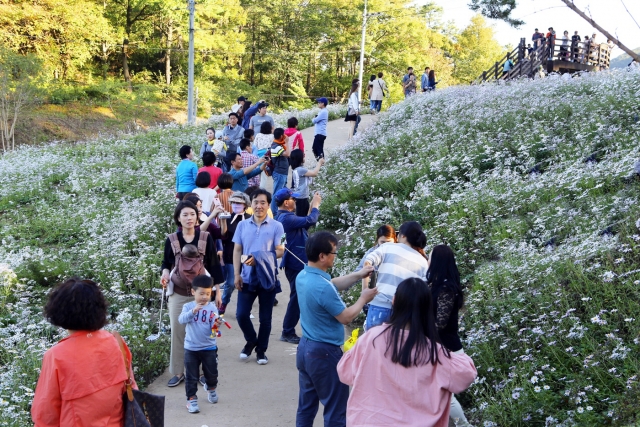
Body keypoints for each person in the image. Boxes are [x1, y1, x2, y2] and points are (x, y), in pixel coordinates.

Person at [336, 278, 477, 427]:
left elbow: (344, 372)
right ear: (428, 308)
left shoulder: (371, 338)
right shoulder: (435, 352)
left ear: (394, 300)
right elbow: (466, 374)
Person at [295, 231, 378, 427]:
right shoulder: (322, 287)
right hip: (324, 353)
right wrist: (363, 298)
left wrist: (358, 275)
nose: (336, 255)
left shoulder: (304, 275)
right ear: (322, 256)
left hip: (306, 349)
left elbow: (331, 284)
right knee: (336, 409)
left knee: (306, 406)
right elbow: (346, 317)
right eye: (334, 252)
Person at [31, 278, 138, 426]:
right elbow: (131, 388)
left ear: (59, 311)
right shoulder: (115, 342)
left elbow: (45, 415)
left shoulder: (56, 356)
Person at [161, 200, 225, 387]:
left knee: (206, 331)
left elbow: (214, 266)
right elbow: (166, 263)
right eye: (185, 215)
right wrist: (165, 274)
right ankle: (179, 372)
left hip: (203, 294)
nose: (189, 218)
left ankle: (205, 371)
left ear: (197, 217)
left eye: (192, 214)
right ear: (178, 219)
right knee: (178, 332)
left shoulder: (205, 237)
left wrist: (218, 292)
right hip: (179, 293)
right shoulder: (172, 239)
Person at [233, 189, 285, 365]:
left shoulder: (277, 226)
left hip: (267, 277)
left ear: (268, 205)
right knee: (241, 314)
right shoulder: (242, 225)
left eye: (263, 202)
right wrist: (236, 274)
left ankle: (261, 351)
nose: (259, 206)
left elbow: (281, 250)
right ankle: (251, 340)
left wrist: (260, 258)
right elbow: (237, 250)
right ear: (251, 205)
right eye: (256, 202)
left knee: (265, 318)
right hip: (246, 277)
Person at [427, 245, 473, 426]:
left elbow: (441, 322)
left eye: (430, 256)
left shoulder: (447, 288)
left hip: (446, 348)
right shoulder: (437, 284)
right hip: (438, 346)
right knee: (438, 395)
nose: (427, 260)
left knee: (445, 395)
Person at [362, 221, 429, 330]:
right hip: (404, 314)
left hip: (380, 306)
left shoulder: (388, 247)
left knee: (374, 345)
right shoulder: (423, 261)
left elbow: (368, 261)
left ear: (402, 236)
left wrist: (364, 290)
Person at [274, 188, 321, 343]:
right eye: (292, 199)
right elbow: (311, 220)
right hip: (295, 263)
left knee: (298, 296)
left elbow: (304, 225)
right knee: (297, 297)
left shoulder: (286, 217)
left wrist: (311, 207)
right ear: (287, 202)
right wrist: (316, 207)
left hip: (295, 262)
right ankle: (287, 331)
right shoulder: (285, 219)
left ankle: (289, 330)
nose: (295, 201)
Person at [179, 275, 223, 413]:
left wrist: (217, 324)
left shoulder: (212, 308)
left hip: (209, 347)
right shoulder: (188, 306)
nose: (204, 297)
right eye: (201, 293)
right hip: (191, 348)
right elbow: (181, 320)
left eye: (208, 294)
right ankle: (191, 399)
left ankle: (211, 388)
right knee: (191, 376)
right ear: (193, 292)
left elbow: (214, 331)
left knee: (212, 373)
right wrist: (193, 311)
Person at [219, 191, 252, 314]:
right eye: (233, 203)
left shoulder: (250, 219)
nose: (236, 205)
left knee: (246, 282)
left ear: (245, 205)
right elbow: (223, 236)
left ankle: (243, 308)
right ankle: (224, 303)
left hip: (247, 256)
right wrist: (222, 221)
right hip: (230, 255)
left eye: (239, 203)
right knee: (231, 282)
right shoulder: (227, 217)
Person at [289, 149, 325, 216]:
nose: (304, 156)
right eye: (303, 155)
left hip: (299, 197)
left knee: (302, 215)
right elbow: (314, 173)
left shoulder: (297, 169)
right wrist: (319, 163)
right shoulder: (300, 170)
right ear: (300, 158)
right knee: (302, 218)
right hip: (302, 197)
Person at [269, 128, 292, 214]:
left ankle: (282, 210)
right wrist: (287, 142)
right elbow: (287, 154)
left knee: (284, 192)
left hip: (282, 173)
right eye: (284, 134)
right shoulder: (276, 146)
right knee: (277, 193)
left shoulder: (279, 145)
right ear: (282, 136)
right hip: (279, 173)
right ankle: (274, 213)